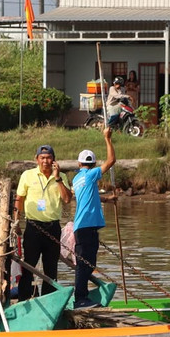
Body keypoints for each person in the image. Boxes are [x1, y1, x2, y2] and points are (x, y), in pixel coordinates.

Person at [15, 144, 74, 301]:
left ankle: (48, 300)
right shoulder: (27, 175)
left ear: (54, 160)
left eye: (49, 158)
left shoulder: (61, 177)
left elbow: (67, 199)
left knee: (51, 268)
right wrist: (16, 222)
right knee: (29, 265)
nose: (45, 161)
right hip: (33, 226)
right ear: (36, 159)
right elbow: (19, 199)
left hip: (53, 227)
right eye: (42, 158)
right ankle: (24, 299)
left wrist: (58, 178)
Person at [70, 127, 116, 308]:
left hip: (83, 226)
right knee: (85, 264)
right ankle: (80, 298)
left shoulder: (77, 179)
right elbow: (112, 160)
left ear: (79, 164)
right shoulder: (91, 175)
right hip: (86, 226)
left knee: (87, 263)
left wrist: (108, 199)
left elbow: (90, 196)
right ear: (93, 164)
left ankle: (82, 296)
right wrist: (107, 138)